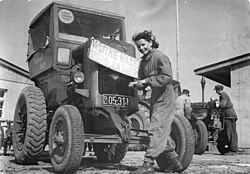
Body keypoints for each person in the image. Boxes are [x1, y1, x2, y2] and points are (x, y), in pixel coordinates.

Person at [128, 30, 183, 174]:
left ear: (151, 42)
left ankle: (148, 164)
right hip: (155, 98)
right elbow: (141, 80)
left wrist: (146, 81)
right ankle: (175, 163)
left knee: (155, 129)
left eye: (143, 45)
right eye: (138, 46)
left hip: (165, 97)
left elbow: (166, 77)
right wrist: (138, 84)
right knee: (161, 131)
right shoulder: (143, 62)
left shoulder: (160, 57)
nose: (141, 48)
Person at [213, 85, 238, 154]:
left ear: (218, 90)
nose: (216, 92)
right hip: (230, 115)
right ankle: (232, 148)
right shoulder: (224, 95)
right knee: (230, 132)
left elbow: (223, 105)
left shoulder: (223, 95)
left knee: (230, 132)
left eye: (216, 91)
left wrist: (217, 103)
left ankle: (233, 150)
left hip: (229, 116)